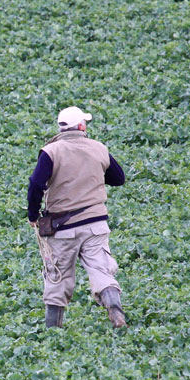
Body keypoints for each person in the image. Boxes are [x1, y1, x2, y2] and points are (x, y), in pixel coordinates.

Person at [27, 106, 127, 329]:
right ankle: (115, 310)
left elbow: (36, 184)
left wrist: (33, 214)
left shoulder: (51, 152)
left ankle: (53, 332)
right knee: (102, 270)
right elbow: (118, 178)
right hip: (95, 225)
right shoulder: (98, 148)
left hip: (63, 227)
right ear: (82, 126)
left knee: (57, 278)